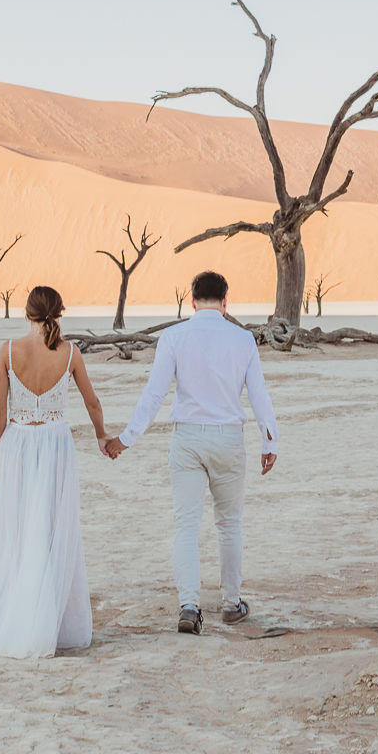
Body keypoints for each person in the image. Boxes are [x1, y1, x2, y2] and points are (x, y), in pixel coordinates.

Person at [103, 270, 278, 635]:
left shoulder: (174, 336)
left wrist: (126, 438)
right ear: (226, 302)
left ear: (192, 300)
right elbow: (258, 394)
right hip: (229, 439)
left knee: (186, 526)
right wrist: (269, 440)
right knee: (229, 525)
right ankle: (231, 604)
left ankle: (189, 607)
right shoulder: (243, 339)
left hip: (187, 441)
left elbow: (154, 394)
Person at [0, 286, 110, 657]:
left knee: (19, 528)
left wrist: (3, 445)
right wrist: (102, 436)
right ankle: (47, 622)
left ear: (27, 314)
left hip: (20, 442)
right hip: (56, 444)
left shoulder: (9, 351)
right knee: (54, 528)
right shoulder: (70, 352)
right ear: (59, 313)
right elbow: (92, 401)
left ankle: (15, 617)